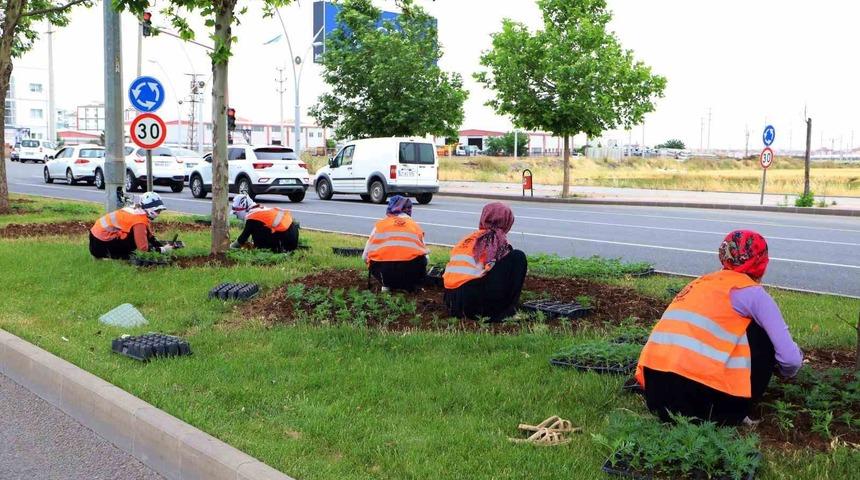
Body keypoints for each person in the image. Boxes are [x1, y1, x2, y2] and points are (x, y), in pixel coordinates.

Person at [635, 230, 803, 426]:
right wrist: (787, 371)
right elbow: (790, 360)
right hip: (703, 406)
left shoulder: (700, 283)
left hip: (656, 394)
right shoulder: (752, 294)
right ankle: (738, 411)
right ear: (762, 261)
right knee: (762, 335)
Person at [443, 202, 527, 321]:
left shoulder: (468, 238)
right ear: (507, 222)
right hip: (473, 305)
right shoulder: (497, 241)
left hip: (451, 302)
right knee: (518, 257)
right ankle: (507, 312)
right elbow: (500, 274)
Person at [362, 195, 429, 291]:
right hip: (410, 272)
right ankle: (410, 285)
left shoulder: (380, 226)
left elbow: (365, 257)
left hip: (384, 273)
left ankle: (386, 285)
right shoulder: (415, 227)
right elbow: (426, 258)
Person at [89, 192, 173, 259]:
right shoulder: (139, 221)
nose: (158, 213)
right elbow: (143, 248)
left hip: (95, 240)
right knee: (134, 244)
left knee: (140, 235)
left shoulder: (135, 209)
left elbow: (148, 234)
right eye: (157, 211)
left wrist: (157, 244)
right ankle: (116, 256)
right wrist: (163, 250)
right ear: (149, 209)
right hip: (100, 247)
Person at [230, 194, 299, 252]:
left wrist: (229, 248)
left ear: (243, 208)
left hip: (285, 244)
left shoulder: (252, 217)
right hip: (292, 238)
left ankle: (266, 248)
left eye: (237, 214)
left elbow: (242, 239)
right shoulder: (260, 209)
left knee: (256, 233)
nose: (237, 217)